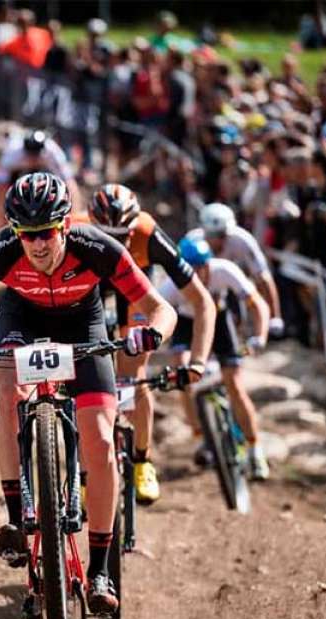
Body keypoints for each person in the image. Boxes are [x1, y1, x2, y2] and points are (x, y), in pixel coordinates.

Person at [0, 173, 176, 616]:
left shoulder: (97, 247)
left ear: (65, 226)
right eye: (27, 235)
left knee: (99, 435)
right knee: (8, 394)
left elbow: (161, 308)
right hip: (22, 317)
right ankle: (18, 521)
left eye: (47, 233)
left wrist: (150, 334)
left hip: (84, 323)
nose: (38, 245)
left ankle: (99, 569)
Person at [89, 183, 216, 504]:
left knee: (134, 371)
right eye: (108, 236)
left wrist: (197, 361)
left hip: (134, 289)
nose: (117, 243)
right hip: (92, 288)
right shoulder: (74, 228)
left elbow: (203, 303)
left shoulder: (149, 234)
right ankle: (84, 470)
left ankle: (142, 460)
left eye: (125, 236)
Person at [170, 237, 271, 479]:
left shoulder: (225, 270)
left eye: (200, 269)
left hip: (219, 319)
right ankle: (200, 437)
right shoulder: (172, 286)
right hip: (187, 323)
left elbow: (257, 304)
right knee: (181, 372)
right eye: (190, 270)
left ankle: (255, 449)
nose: (196, 276)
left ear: (209, 265)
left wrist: (260, 335)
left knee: (234, 383)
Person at [189, 203, 283, 337]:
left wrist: (275, 316)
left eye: (222, 235)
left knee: (237, 315)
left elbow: (263, 278)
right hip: (203, 283)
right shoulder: (192, 242)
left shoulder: (242, 240)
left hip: (233, 279)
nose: (217, 241)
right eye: (213, 235)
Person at [0, 130, 78, 230]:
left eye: (36, 155)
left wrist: (73, 214)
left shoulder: (53, 152)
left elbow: (69, 182)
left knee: (61, 187)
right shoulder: (13, 153)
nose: (33, 158)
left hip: (47, 173)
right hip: (17, 174)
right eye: (31, 155)